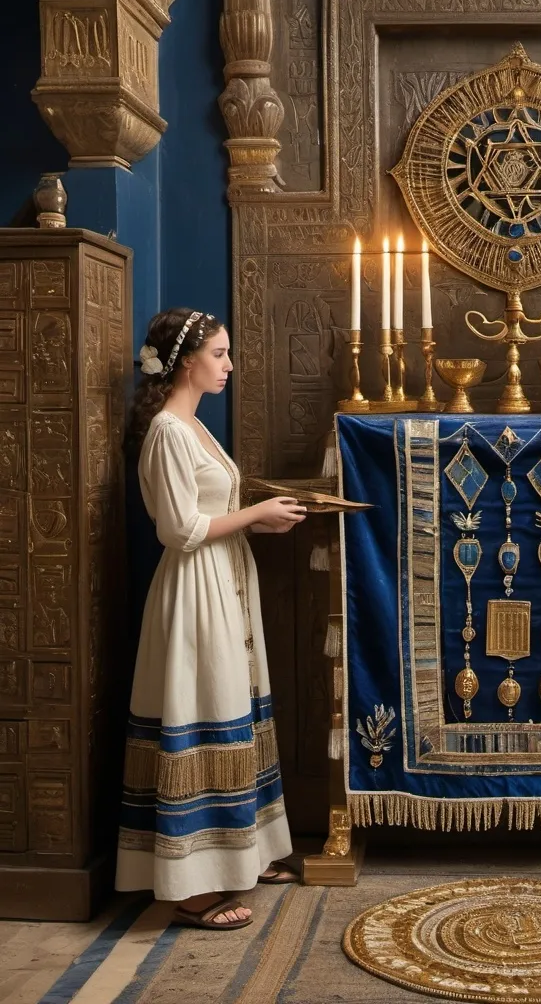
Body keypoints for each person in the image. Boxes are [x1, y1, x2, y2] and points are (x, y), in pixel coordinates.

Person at [115, 308, 308, 929]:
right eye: (220, 354)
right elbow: (178, 529)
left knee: (232, 705)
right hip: (194, 590)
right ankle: (189, 887)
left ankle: (240, 855)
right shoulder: (169, 430)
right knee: (202, 711)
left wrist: (262, 512)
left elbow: (210, 507)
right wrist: (255, 516)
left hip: (224, 582)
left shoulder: (194, 427)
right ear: (186, 360)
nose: (228, 365)